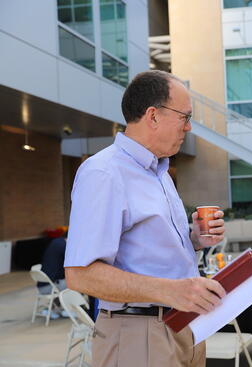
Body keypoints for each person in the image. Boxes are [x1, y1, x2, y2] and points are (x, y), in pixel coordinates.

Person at [64, 70, 226, 367]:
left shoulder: (160, 172)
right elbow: (80, 274)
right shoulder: (103, 173)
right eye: (185, 117)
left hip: (183, 326)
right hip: (139, 334)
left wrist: (194, 240)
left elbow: (148, 251)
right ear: (153, 116)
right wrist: (172, 290)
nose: (189, 127)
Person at [37, 236, 69, 319]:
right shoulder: (64, 247)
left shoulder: (56, 242)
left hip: (41, 285)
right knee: (75, 284)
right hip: (49, 287)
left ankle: (52, 309)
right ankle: (69, 309)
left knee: (61, 283)